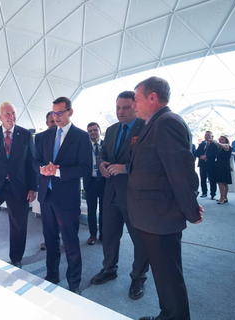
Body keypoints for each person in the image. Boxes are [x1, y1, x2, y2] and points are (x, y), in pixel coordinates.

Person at [128, 76, 203, 320]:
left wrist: (191, 210)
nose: (133, 105)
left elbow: (180, 171)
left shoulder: (167, 122)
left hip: (161, 217)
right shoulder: (154, 122)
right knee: (163, 275)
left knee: (169, 277)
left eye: (137, 99)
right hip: (152, 217)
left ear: (152, 97)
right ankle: (168, 315)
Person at [91, 91, 149, 300]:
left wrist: (125, 167)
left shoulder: (145, 127)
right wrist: (101, 163)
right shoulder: (112, 129)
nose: (121, 111)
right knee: (109, 235)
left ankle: (138, 277)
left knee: (139, 240)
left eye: (125, 107)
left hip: (134, 196)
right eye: (118, 107)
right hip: (111, 194)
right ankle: (109, 269)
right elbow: (102, 153)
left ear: (135, 106)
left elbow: (150, 160)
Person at [33, 97, 92, 295]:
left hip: (67, 198)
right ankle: (52, 275)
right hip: (47, 195)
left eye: (60, 113)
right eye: (53, 113)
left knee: (70, 241)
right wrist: (42, 169)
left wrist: (57, 172)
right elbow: (35, 161)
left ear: (70, 112)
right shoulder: (46, 136)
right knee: (50, 240)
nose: (56, 117)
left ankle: (74, 283)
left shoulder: (81, 137)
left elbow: (84, 168)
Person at [0, 102, 37, 267]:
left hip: (19, 187)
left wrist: (33, 188)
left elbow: (32, 163)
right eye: (8, 114)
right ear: (0, 117)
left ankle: (16, 258)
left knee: (18, 225)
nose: (11, 117)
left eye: (13, 113)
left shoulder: (25, 135)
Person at [35, 112, 56, 251]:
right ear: (47, 122)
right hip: (45, 184)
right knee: (47, 217)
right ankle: (46, 238)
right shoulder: (40, 137)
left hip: (63, 183)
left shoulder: (67, 137)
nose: (54, 123)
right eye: (51, 121)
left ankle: (65, 238)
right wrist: (42, 169)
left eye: (55, 121)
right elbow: (35, 159)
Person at [83, 122, 105, 245]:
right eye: (90, 131)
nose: (93, 133)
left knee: (104, 209)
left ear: (100, 131)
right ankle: (92, 235)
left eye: (95, 130)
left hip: (104, 181)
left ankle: (102, 233)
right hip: (90, 181)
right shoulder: (85, 147)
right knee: (91, 209)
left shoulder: (106, 145)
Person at [194, 131, 218, 199]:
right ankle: (204, 192)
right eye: (206, 135)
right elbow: (197, 152)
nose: (207, 137)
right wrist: (200, 156)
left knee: (212, 179)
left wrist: (207, 156)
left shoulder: (215, 144)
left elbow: (215, 153)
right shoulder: (202, 144)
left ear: (212, 136)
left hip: (211, 163)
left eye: (208, 135)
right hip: (202, 164)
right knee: (203, 178)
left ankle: (213, 194)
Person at [212, 136, 232, 204]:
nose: (220, 140)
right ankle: (225, 197)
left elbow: (220, 145)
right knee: (224, 182)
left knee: (221, 181)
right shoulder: (220, 148)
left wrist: (212, 141)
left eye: (222, 139)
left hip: (223, 166)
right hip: (221, 165)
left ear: (226, 140)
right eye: (219, 139)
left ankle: (222, 198)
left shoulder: (226, 145)